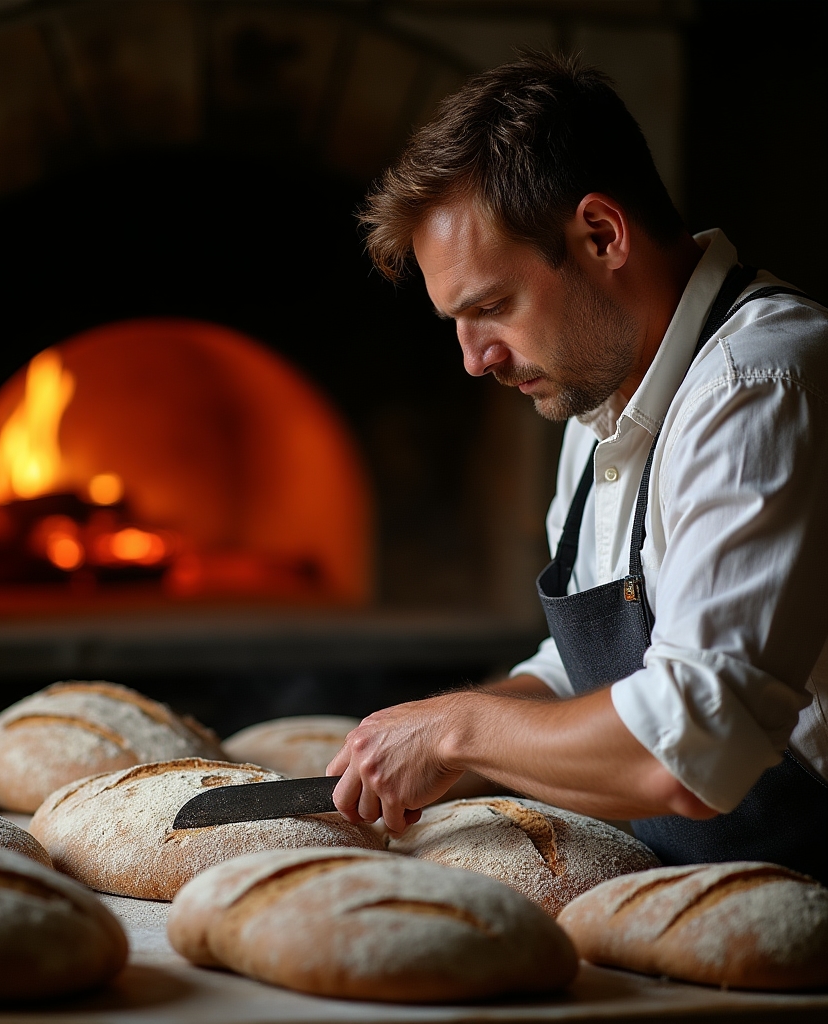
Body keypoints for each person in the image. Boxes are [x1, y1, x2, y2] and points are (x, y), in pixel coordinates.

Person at [328, 52, 828, 884]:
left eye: (490, 307)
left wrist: (457, 730)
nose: (473, 359)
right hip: (688, 889)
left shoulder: (762, 385)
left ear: (602, 235)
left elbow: (690, 747)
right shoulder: (601, 389)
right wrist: (425, 743)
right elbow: (582, 679)